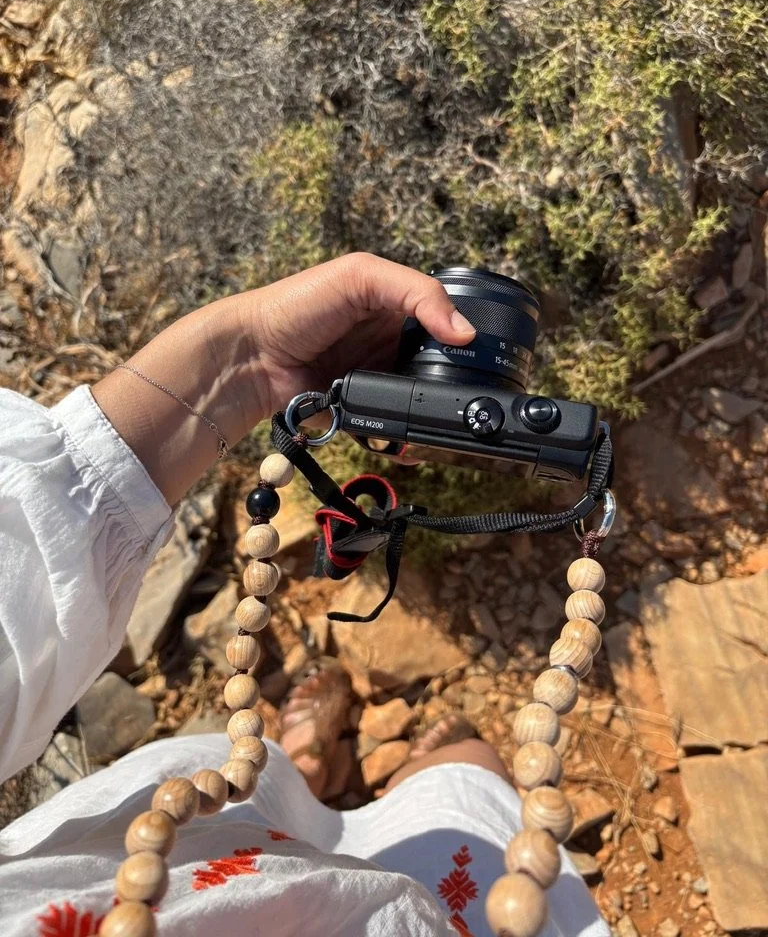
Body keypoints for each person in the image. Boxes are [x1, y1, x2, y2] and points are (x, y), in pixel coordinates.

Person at [0, 254, 608, 936]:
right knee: (464, 768)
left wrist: (249, 362)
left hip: (184, 861)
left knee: (245, 788)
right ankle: (313, 773)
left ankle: (302, 773)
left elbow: (12, 590)